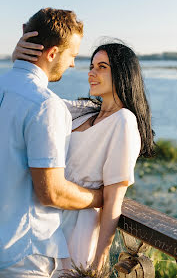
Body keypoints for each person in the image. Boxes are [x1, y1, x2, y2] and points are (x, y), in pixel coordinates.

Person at [12, 35, 155, 274]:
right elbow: (35, 97)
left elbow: (113, 198)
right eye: (91, 66)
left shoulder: (124, 121)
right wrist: (21, 61)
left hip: (79, 227)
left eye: (102, 67)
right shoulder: (84, 110)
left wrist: (100, 259)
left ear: (123, 73)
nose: (91, 73)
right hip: (47, 220)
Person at [0, 8, 103, 277]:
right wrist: (100, 197)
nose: (72, 64)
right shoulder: (46, 105)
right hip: (23, 255)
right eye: (72, 55)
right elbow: (52, 192)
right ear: (53, 53)